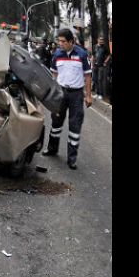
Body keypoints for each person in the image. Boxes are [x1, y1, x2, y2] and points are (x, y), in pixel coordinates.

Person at [42, 28, 92, 170]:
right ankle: (52, 149)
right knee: (56, 122)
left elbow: (88, 76)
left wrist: (88, 95)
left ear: (71, 41)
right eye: (59, 40)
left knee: (75, 126)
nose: (60, 43)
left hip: (76, 94)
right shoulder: (57, 54)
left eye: (63, 41)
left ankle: (72, 159)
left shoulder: (82, 54)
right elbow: (53, 75)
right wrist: (51, 94)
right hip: (60, 93)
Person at [91, 36, 110, 100]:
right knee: (95, 79)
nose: (101, 41)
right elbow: (93, 55)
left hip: (101, 66)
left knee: (99, 79)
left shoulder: (104, 47)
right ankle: (97, 93)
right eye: (100, 39)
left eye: (102, 40)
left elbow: (109, 55)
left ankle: (100, 94)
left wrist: (105, 62)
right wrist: (92, 64)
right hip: (95, 66)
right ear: (97, 40)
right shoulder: (94, 46)